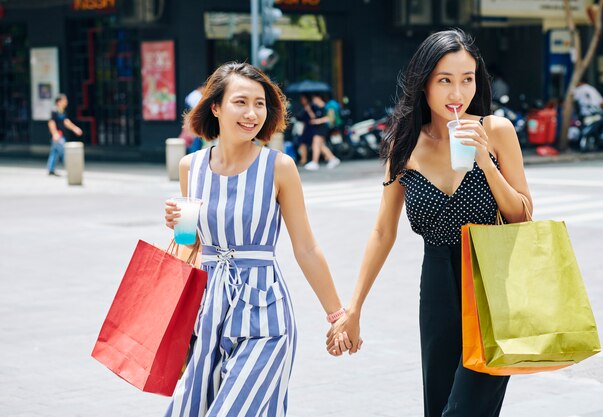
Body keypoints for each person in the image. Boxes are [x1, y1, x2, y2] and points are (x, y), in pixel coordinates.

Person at [326, 29, 533, 416]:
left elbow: (522, 213)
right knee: (438, 405)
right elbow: (382, 231)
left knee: (465, 409)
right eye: (445, 80)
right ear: (424, 84)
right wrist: (354, 307)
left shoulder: (496, 131)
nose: (458, 93)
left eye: (467, 79)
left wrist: (486, 162)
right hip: (437, 284)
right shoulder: (403, 146)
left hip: (492, 284)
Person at [163, 62, 358, 417]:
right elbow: (191, 246)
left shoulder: (279, 167)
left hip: (264, 313)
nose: (252, 113)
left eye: (260, 103)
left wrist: (337, 315)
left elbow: (306, 247)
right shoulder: (190, 167)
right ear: (216, 107)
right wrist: (176, 226)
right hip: (207, 315)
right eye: (241, 102)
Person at [46, 94, 83, 176]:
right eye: (64, 100)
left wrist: (75, 128)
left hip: (60, 135)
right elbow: (51, 122)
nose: (66, 102)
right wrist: (55, 134)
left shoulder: (62, 111)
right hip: (57, 135)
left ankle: (51, 169)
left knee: (55, 152)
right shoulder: (54, 111)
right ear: (59, 102)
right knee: (64, 151)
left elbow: (66, 122)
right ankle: (71, 169)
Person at [303, 93, 341, 171]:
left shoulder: (326, 107)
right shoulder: (318, 108)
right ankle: (332, 159)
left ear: (319, 98)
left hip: (322, 128)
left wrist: (317, 121)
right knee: (321, 146)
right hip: (319, 128)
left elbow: (330, 118)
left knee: (315, 144)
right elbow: (313, 118)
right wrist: (309, 110)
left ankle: (315, 162)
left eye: (314, 99)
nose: (314, 101)